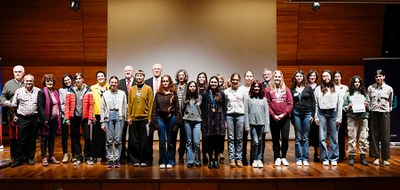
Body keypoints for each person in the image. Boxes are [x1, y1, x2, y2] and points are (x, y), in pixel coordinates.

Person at [151, 74, 181, 169]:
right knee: (162, 141)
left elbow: (177, 109)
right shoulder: (158, 94)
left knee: (171, 141)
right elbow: (154, 109)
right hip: (161, 119)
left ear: (170, 82)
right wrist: (155, 122)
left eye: (166, 81)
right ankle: (162, 161)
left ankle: (170, 161)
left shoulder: (173, 94)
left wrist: (177, 122)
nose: (165, 83)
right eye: (163, 81)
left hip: (171, 118)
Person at [10, 74, 40, 167]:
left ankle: (30, 158)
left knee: (32, 139)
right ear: (24, 81)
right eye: (27, 81)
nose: (29, 82)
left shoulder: (38, 91)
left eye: (30, 81)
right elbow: (14, 105)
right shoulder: (19, 91)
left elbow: (41, 106)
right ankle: (19, 159)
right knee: (21, 139)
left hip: (34, 118)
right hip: (22, 118)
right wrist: (15, 115)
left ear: (33, 81)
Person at [314, 70, 343, 166]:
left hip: (333, 113)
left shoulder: (337, 88)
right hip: (321, 113)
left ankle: (334, 157)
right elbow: (316, 104)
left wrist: (339, 118)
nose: (326, 78)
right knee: (322, 137)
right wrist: (316, 116)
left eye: (327, 76)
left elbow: (340, 104)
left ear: (331, 77)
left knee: (334, 137)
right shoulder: (318, 89)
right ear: (322, 78)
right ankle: (324, 158)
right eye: (324, 76)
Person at [265, 70, 293, 166]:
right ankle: (277, 157)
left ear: (281, 78)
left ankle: (283, 157)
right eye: (275, 77)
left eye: (279, 77)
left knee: (285, 138)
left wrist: (283, 114)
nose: (277, 78)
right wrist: (273, 115)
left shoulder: (287, 90)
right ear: (273, 78)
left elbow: (290, 104)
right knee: (275, 138)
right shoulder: (268, 90)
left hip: (285, 118)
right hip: (274, 118)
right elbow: (267, 104)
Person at [65, 73, 94, 166]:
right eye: (76, 79)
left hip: (85, 118)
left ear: (83, 79)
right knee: (75, 138)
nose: (78, 80)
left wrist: (90, 118)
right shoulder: (70, 90)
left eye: (80, 78)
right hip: (74, 118)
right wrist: (67, 118)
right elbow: (67, 105)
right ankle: (78, 157)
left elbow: (91, 105)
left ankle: (88, 156)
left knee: (87, 137)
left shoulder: (88, 90)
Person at [127, 70, 154, 167]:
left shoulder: (148, 89)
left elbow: (151, 104)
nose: (139, 77)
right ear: (135, 77)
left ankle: (145, 160)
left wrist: (150, 117)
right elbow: (129, 104)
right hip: (134, 119)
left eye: (141, 76)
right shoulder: (132, 89)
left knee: (145, 141)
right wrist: (129, 116)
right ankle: (135, 160)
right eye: (137, 76)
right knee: (134, 141)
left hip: (145, 119)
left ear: (144, 77)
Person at [368, 69, 393, 166]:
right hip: (374, 112)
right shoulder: (371, 88)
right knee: (374, 135)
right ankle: (376, 157)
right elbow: (369, 99)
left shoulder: (389, 88)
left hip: (384, 113)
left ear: (384, 77)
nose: (378, 78)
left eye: (380, 76)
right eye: (377, 76)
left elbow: (390, 102)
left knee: (385, 135)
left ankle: (385, 158)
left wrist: (388, 108)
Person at [342, 75, 370, 166]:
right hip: (352, 117)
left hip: (363, 117)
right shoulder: (348, 94)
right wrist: (348, 107)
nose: (357, 83)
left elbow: (369, 106)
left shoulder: (365, 94)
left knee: (363, 138)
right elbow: (344, 107)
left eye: (358, 82)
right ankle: (352, 156)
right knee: (352, 137)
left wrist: (367, 106)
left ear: (360, 83)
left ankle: (363, 156)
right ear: (353, 84)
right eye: (355, 82)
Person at [101, 76, 127, 168]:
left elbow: (124, 107)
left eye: (115, 82)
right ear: (109, 83)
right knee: (109, 140)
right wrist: (102, 122)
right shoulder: (105, 94)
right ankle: (110, 159)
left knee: (118, 140)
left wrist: (125, 118)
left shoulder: (122, 93)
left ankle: (116, 159)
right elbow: (102, 108)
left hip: (119, 116)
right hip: (109, 116)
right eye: (112, 82)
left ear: (118, 83)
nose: (113, 84)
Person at [290, 70, 315, 166]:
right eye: (297, 76)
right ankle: (298, 158)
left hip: (307, 113)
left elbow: (313, 102)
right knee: (298, 137)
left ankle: (305, 158)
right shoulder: (292, 89)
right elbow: (291, 103)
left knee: (305, 136)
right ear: (295, 78)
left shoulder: (308, 88)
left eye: (300, 76)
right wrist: (291, 116)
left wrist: (312, 114)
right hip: (296, 113)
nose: (299, 77)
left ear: (303, 77)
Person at [0, 65, 25, 163]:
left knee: (24, 137)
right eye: (15, 72)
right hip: (12, 114)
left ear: (23, 73)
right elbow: (2, 97)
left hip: (25, 114)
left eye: (19, 71)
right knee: (13, 137)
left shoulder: (27, 82)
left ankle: (25, 157)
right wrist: (5, 101)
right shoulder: (8, 84)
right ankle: (14, 158)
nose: (17, 73)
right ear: (13, 73)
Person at [201, 76, 227, 169]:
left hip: (219, 120)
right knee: (209, 141)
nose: (213, 84)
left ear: (218, 83)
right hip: (208, 120)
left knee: (217, 141)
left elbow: (224, 108)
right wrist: (204, 119)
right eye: (212, 82)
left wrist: (225, 121)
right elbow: (202, 108)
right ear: (209, 83)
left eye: (215, 82)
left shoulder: (222, 94)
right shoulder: (206, 94)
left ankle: (216, 159)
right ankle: (210, 159)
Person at [37, 74, 62, 166]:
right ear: (45, 82)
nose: (50, 82)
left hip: (55, 119)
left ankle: (51, 156)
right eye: (48, 81)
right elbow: (40, 107)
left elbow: (57, 105)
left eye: (51, 81)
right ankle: (44, 157)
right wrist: (45, 120)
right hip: (46, 120)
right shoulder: (41, 92)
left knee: (52, 138)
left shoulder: (56, 92)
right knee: (44, 139)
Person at [244, 80, 270, 168]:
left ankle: (259, 159)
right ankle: (254, 159)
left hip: (262, 124)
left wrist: (267, 127)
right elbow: (246, 113)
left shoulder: (264, 99)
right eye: (254, 87)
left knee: (260, 141)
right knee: (255, 141)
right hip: (252, 124)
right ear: (252, 88)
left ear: (260, 88)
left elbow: (266, 114)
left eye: (258, 86)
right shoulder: (248, 99)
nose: (256, 88)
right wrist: (247, 126)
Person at [225, 73, 247, 168]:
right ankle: (232, 159)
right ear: (230, 81)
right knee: (231, 138)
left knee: (239, 138)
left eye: (236, 80)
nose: (234, 81)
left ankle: (239, 159)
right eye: (233, 79)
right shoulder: (226, 92)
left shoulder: (243, 91)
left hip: (240, 116)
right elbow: (224, 106)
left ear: (239, 81)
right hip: (229, 116)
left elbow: (245, 105)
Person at [144, 63, 163, 164]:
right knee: (149, 136)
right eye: (155, 69)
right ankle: (148, 158)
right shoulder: (147, 82)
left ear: (161, 70)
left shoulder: (165, 81)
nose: (156, 70)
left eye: (158, 69)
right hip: (150, 112)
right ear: (152, 70)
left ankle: (161, 158)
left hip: (161, 113)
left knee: (162, 137)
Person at [91, 71, 109, 163]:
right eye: (98, 76)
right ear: (96, 78)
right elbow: (91, 102)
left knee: (105, 136)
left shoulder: (109, 86)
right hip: (96, 114)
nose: (100, 77)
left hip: (107, 115)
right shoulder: (93, 88)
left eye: (102, 76)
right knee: (96, 136)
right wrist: (92, 114)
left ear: (105, 77)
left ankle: (104, 155)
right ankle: (95, 155)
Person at [117, 65, 135, 162]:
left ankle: (131, 156)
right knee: (122, 134)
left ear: (133, 72)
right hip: (123, 113)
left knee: (132, 135)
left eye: (129, 70)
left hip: (134, 113)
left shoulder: (137, 82)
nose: (127, 72)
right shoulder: (120, 83)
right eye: (126, 71)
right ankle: (122, 154)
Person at [182, 81, 202, 167]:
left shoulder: (200, 97)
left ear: (196, 88)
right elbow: (182, 109)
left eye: (194, 86)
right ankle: (190, 161)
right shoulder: (184, 97)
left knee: (196, 142)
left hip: (197, 121)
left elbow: (202, 109)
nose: (192, 88)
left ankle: (197, 160)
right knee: (189, 142)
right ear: (188, 88)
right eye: (191, 86)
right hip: (187, 121)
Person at [333, 70, 349, 162]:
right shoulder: (331, 87)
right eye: (335, 76)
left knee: (342, 134)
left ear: (341, 78)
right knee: (335, 134)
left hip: (343, 112)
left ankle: (342, 154)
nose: (337, 78)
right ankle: (335, 154)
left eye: (339, 76)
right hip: (334, 112)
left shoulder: (345, 87)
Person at [59, 74, 74, 163]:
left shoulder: (75, 89)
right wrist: (66, 113)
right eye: (65, 80)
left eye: (68, 80)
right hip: (65, 116)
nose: (67, 81)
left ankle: (73, 153)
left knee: (73, 135)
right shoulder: (61, 90)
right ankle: (65, 154)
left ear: (71, 80)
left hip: (74, 115)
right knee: (64, 136)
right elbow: (61, 103)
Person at [175, 69, 188, 165]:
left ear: (185, 76)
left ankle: (181, 155)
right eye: (179, 75)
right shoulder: (174, 86)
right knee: (173, 136)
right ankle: (172, 156)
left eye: (182, 75)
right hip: (175, 115)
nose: (181, 76)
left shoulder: (188, 87)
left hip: (185, 115)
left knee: (184, 137)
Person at [307, 69, 320, 162]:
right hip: (307, 112)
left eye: (314, 76)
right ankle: (305, 153)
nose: (312, 77)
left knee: (317, 134)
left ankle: (317, 153)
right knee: (307, 133)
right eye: (311, 75)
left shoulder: (319, 87)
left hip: (317, 113)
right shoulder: (305, 86)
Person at [242, 70, 254, 165]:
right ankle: (243, 157)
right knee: (244, 138)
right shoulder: (241, 88)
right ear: (244, 77)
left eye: (250, 76)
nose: (249, 78)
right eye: (247, 76)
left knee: (254, 138)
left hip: (253, 116)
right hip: (243, 116)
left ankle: (253, 157)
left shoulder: (256, 88)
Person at [196, 72, 209, 164]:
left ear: (205, 79)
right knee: (196, 138)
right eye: (199, 77)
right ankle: (196, 156)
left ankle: (204, 155)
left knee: (205, 138)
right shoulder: (194, 88)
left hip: (205, 117)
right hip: (196, 116)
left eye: (203, 77)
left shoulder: (208, 90)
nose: (201, 78)